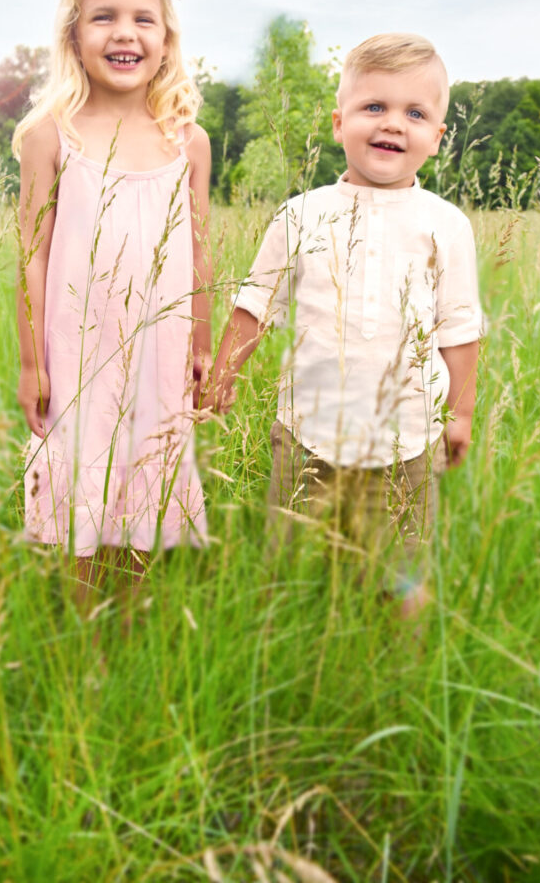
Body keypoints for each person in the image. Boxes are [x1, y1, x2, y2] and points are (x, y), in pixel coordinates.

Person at [204, 33, 482, 616]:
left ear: (436, 137)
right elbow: (258, 301)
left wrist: (459, 413)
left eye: (415, 113)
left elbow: (458, 326)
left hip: (406, 440)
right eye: (374, 107)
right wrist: (224, 372)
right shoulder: (302, 214)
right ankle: (284, 651)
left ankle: (396, 669)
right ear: (339, 123)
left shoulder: (445, 224)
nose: (393, 124)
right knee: (287, 566)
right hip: (307, 434)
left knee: (400, 576)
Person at [13, 0, 211, 590]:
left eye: (143, 20)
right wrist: (30, 362)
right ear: (74, 34)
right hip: (78, 352)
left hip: (160, 349)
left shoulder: (187, 138)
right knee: (85, 494)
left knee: (147, 492)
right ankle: (84, 637)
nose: (124, 33)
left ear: (166, 38)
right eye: (104, 17)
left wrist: (202, 341)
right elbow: (32, 255)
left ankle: (131, 624)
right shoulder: (51, 133)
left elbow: (200, 249)